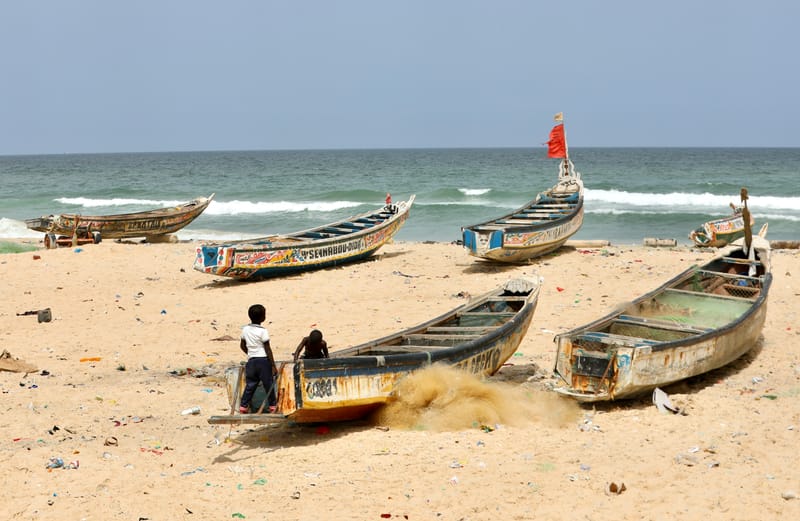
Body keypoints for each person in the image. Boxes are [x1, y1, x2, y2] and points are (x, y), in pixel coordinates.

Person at [239, 304, 278, 414]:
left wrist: (251, 353)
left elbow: (242, 345)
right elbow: (268, 349)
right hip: (263, 361)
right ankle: (272, 406)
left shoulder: (245, 329)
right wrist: (273, 365)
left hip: (251, 361)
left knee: (250, 384)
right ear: (262, 317)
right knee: (268, 384)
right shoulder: (263, 331)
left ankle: (243, 406)